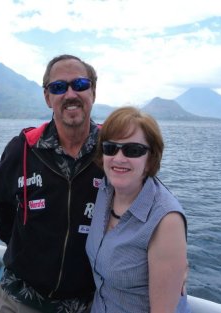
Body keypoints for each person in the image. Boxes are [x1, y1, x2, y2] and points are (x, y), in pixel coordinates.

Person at [0, 54, 104, 313]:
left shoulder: (111, 152)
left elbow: (146, 207)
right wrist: (24, 251)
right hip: (18, 300)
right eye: (59, 87)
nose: (70, 93)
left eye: (80, 84)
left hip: (85, 305)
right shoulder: (24, 149)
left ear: (93, 92)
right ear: (47, 97)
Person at [86, 106, 190, 313]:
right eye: (110, 148)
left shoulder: (166, 221)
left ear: (150, 159)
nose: (119, 158)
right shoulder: (105, 191)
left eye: (133, 150)